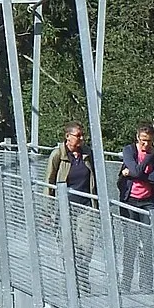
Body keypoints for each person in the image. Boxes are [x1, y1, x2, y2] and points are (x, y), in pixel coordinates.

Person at [45, 122, 98, 290]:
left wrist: (98, 203)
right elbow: (49, 182)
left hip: (85, 207)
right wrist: (47, 211)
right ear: (68, 136)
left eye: (82, 135)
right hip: (64, 208)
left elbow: (96, 178)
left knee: (86, 245)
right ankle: (73, 280)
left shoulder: (88, 154)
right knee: (67, 245)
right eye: (78, 135)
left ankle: (83, 274)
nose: (81, 139)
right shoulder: (57, 155)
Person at [117, 123, 154, 292]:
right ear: (137, 138)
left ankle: (146, 284)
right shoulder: (129, 150)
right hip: (129, 200)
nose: (146, 145)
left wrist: (138, 170)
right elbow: (137, 172)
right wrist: (145, 162)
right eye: (143, 141)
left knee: (148, 243)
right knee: (130, 242)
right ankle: (126, 283)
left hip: (148, 201)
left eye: (150, 142)